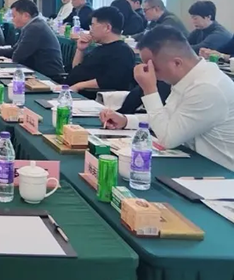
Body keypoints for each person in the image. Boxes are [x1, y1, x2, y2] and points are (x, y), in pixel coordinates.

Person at [99, 26, 234, 171]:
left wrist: (149, 89)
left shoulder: (208, 87)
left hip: (220, 173)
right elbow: (167, 118)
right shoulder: (192, 77)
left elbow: (167, 138)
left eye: (154, 69)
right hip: (195, 163)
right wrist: (126, 120)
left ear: (177, 63)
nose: (152, 74)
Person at [65, 6, 136, 92]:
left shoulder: (123, 52)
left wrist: (78, 86)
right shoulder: (100, 48)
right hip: (69, 90)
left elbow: (110, 81)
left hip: (87, 96)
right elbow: (76, 70)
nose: (90, 30)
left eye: (93, 25)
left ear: (107, 28)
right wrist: (80, 50)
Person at [0, 0, 64, 81]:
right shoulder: (33, 25)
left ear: (26, 16)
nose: (12, 19)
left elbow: (17, 56)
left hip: (48, 78)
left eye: (14, 16)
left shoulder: (35, 28)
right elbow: (14, 51)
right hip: (37, 73)